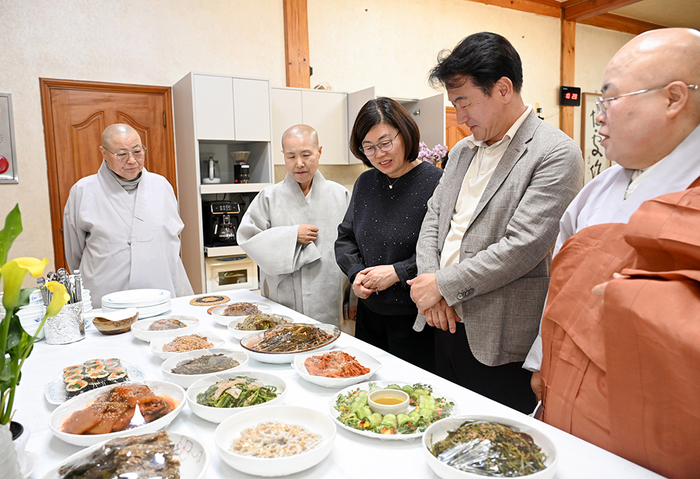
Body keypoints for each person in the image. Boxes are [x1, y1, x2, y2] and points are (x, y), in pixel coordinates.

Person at [535, 28, 700, 478]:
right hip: (566, 387)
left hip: (649, 413)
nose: (599, 117)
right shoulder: (598, 188)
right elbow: (560, 283)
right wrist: (541, 361)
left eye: (609, 100)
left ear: (673, 98)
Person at [408, 32, 583, 413]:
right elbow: (434, 219)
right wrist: (430, 286)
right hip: (442, 321)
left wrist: (442, 284)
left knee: (494, 450)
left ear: (503, 88)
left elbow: (523, 247)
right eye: (455, 104)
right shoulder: (461, 152)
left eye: (465, 102)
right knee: (443, 428)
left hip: (499, 335)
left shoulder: (555, 153)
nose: (460, 116)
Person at [335, 98, 442, 371]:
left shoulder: (436, 182)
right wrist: (356, 272)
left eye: (385, 143)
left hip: (419, 318)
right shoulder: (366, 182)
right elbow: (346, 238)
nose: (379, 154)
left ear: (405, 133)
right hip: (370, 315)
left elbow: (445, 249)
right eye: (368, 148)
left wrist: (398, 272)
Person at [63, 123, 193, 307]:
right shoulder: (83, 191)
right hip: (106, 293)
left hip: (159, 289)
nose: (132, 160)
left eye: (137, 151)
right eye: (122, 154)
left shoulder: (161, 186)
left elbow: (171, 241)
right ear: (104, 153)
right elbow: (74, 252)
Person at [237, 125, 350, 328]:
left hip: (330, 295)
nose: (299, 164)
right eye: (291, 156)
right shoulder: (268, 197)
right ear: (283, 155)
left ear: (319, 151)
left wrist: (354, 298)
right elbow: (248, 238)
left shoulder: (340, 195)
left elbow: (355, 248)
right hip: (283, 299)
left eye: (306, 155)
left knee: (327, 352)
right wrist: (291, 235)